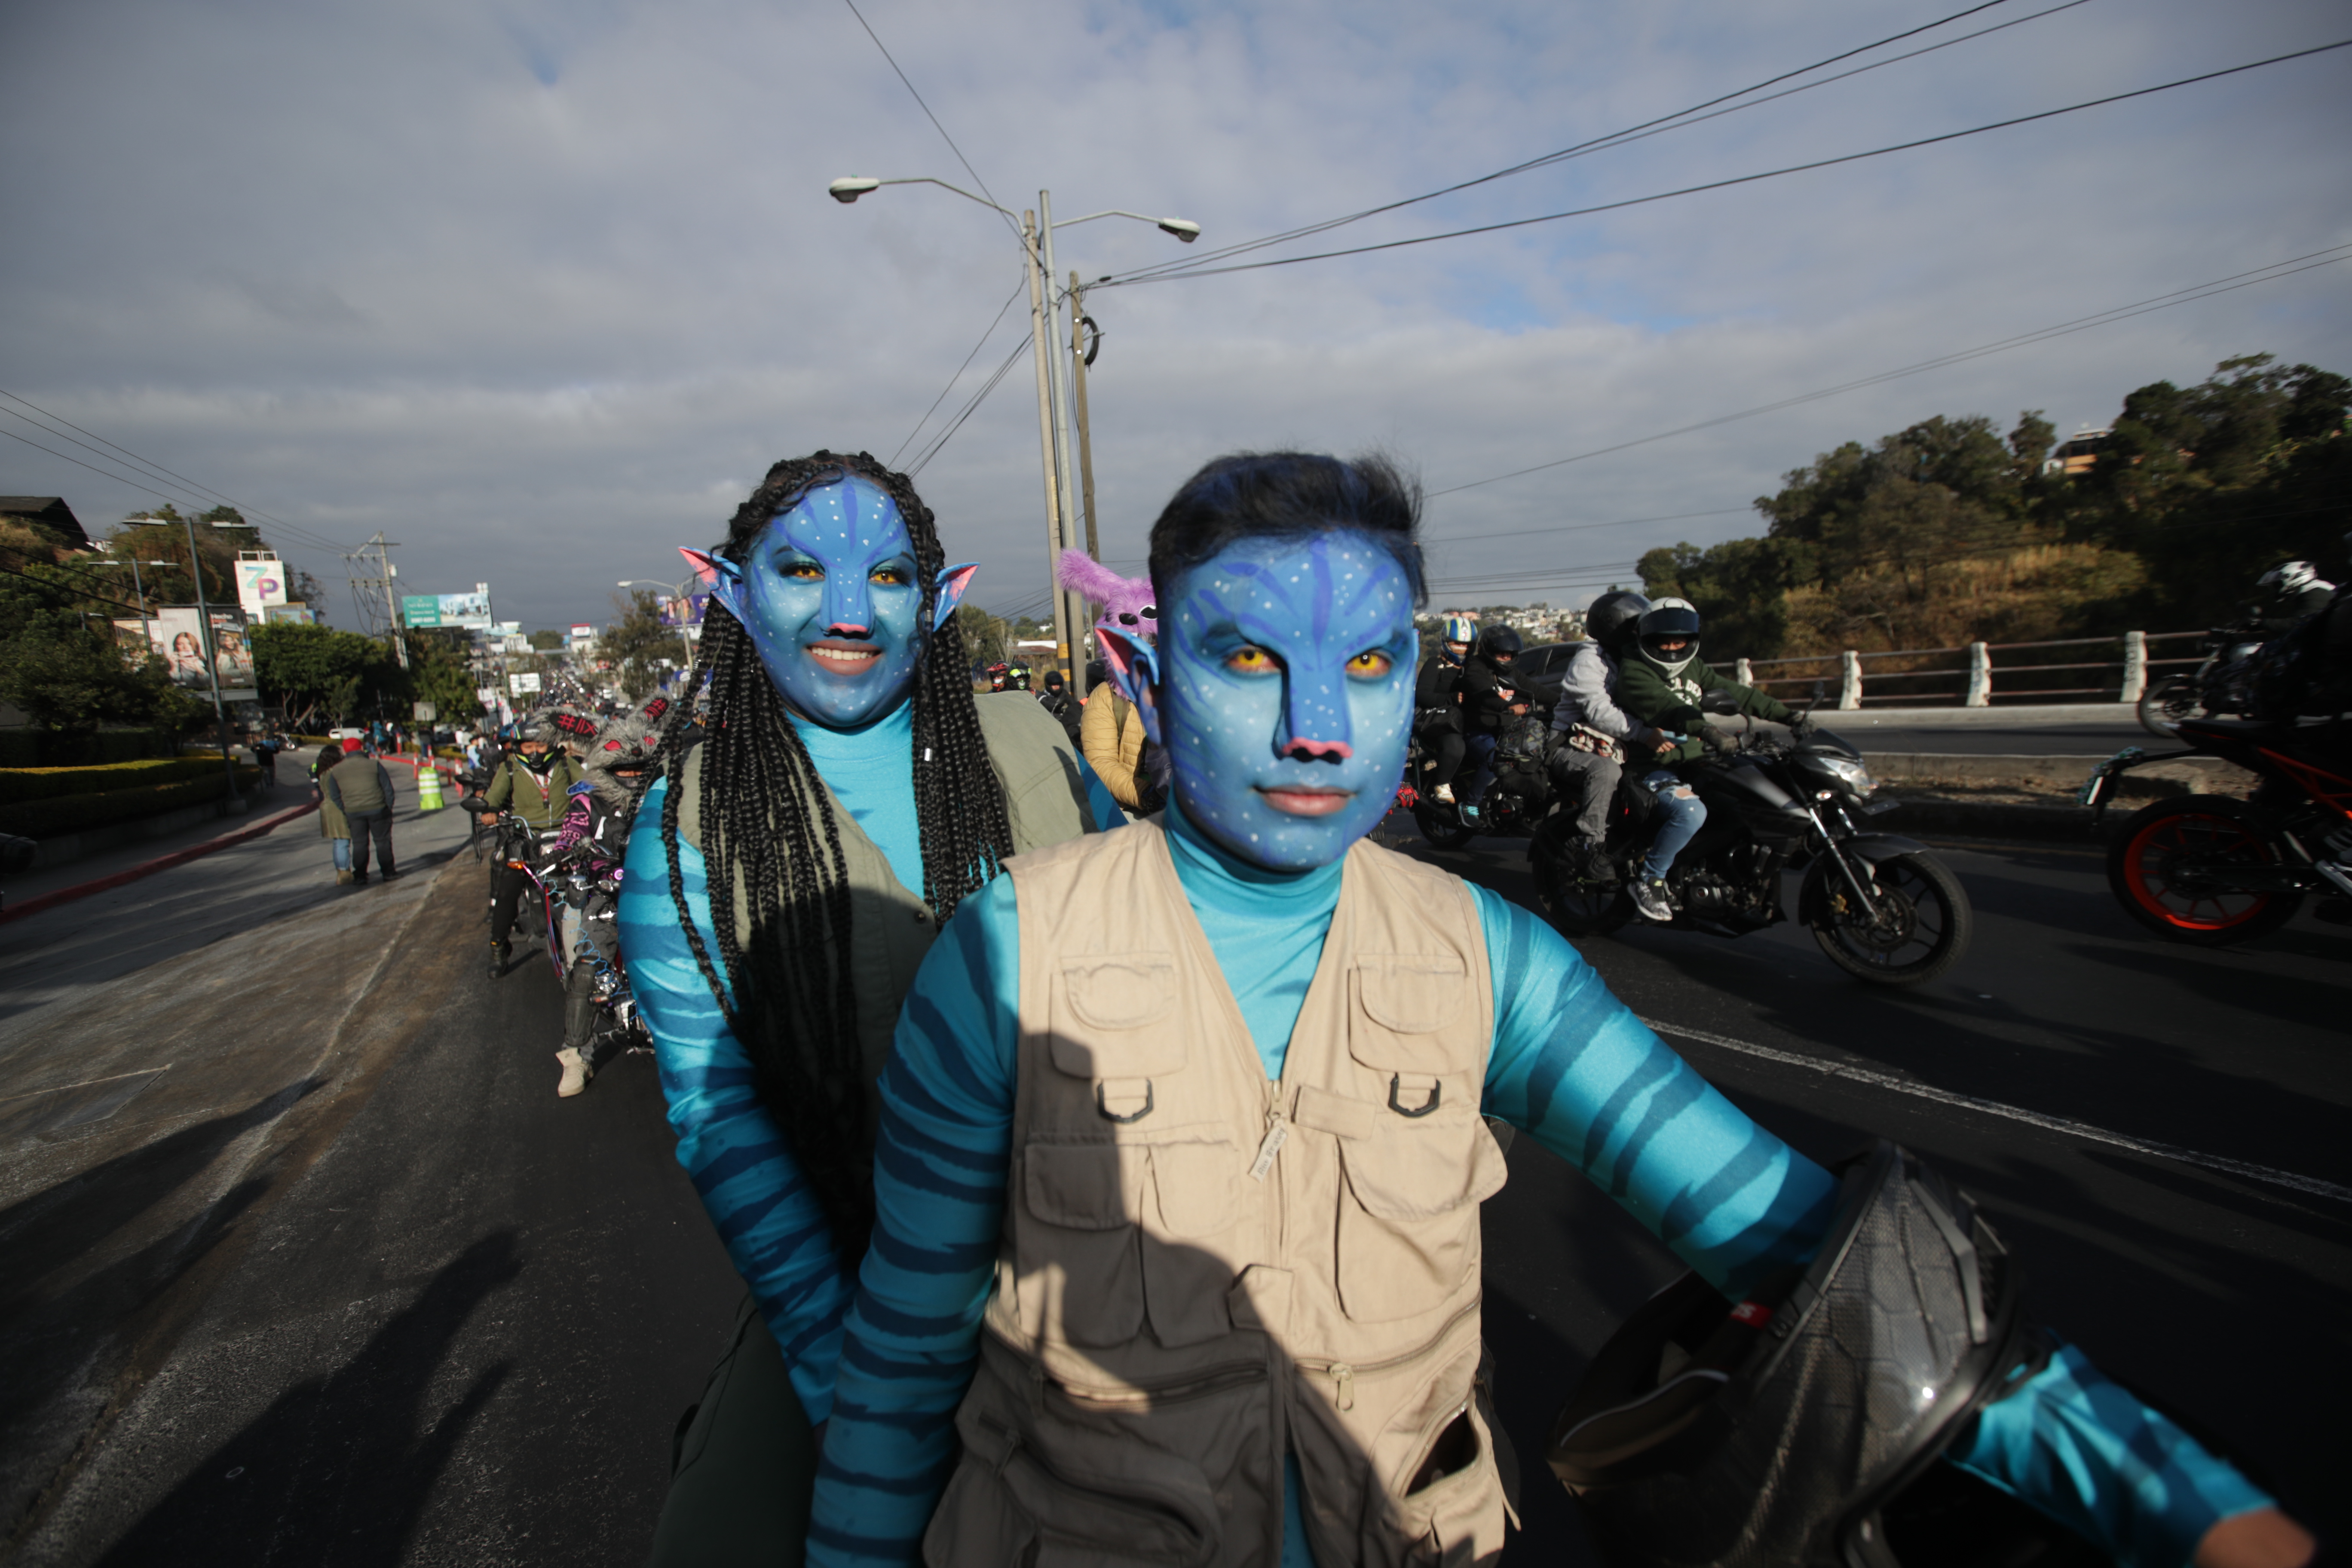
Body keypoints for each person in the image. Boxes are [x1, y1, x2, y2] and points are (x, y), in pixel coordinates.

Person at [805, 450, 2312, 1568]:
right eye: (1249, 657)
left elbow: (1820, 1259)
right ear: (1152, 660)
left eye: (1374, 661)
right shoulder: (1008, 955)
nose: (1322, 723)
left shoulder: (1491, 956)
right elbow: (905, 1353)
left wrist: (2203, 1517)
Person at [612, 449, 1124, 1565]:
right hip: (849, 1276)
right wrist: (851, 1381)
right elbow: (720, 1118)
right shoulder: (682, 830)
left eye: (889, 579)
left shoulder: (1033, 747)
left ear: (941, 601)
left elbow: (1165, 954)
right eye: (802, 569)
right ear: (731, 592)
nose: (849, 609)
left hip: (1099, 1254)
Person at [1606, 597, 1791, 923]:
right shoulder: (1635, 670)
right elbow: (1671, 708)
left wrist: (1792, 717)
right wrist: (1710, 732)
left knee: (1745, 803)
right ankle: (1650, 880)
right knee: (1690, 812)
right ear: (1645, 638)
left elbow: (1738, 693)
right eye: (1664, 641)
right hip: (1651, 767)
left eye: (1680, 641)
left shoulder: (1695, 667)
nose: (1672, 648)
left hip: (1695, 762)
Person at [547, 696, 671, 1098]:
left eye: (640, 766)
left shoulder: (665, 789)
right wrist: (565, 852)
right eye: (624, 767)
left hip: (662, 888)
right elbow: (572, 831)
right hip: (603, 890)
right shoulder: (587, 798)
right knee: (587, 966)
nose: (633, 773)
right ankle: (576, 1054)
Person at [1540, 590, 1672, 888]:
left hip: (1617, 745)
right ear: (1618, 628)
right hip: (1568, 745)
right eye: (1636, 627)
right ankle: (1592, 847)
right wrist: (1645, 733)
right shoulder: (1590, 660)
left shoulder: (1633, 657)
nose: (1643, 633)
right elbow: (1599, 712)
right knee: (1606, 771)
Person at [483, 718, 584, 976]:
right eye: (529, 747)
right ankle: (499, 947)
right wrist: (490, 811)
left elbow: (591, 785)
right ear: (519, 747)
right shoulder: (509, 769)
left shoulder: (564, 763)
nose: (536, 752)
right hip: (526, 840)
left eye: (541, 745)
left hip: (566, 838)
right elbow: (493, 798)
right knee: (507, 892)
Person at [1455, 622, 1528, 824]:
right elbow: (1483, 693)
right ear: (1489, 652)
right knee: (1494, 758)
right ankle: (1470, 804)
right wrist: (1508, 706)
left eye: (1510, 654)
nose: (1506, 658)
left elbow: (1534, 689)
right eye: (1501, 654)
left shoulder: (1509, 673)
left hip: (1504, 729)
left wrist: (1562, 701)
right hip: (1476, 731)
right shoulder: (1476, 668)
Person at [1412, 613, 1473, 805]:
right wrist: (1451, 699)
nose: (1462, 649)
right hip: (1442, 722)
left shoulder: (1474, 667)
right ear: (1446, 643)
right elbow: (1421, 695)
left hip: (1468, 721)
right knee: (1456, 747)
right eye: (1457, 644)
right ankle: (1442, 784)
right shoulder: (1434, 664)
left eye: (1466, 645)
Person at [320, 744, 398, 884]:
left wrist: (345, 809)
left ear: (346, 750)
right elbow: (388, 788)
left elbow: (335, 795)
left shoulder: (337, 771)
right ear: (361, 749)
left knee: (360, 844)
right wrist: (388, 807)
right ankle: (388, 873)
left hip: (354, 813)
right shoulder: (374, 765)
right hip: (378, 809)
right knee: (382, 842)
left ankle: (361, 876)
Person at [2252, 559, 2335, 634]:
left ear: (2295, 578)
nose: (2276, 589)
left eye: (2278, 585)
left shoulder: (2316, 594)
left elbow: (2300, 624)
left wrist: (2261, 624)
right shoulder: (2310, 592)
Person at [312, 743, 353, 884]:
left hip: (327, 808)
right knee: (343, 842)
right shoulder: (335, 773)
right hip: (337, 808)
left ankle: (342, 872)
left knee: (338, 842)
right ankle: (344, 873)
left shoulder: (322, 772)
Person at [1034, 669, 1082, 743]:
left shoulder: (1064, 694)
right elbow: (1051, 706)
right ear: (1049, 685)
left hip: (1062, 726)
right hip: (1047, 727)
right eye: (1054, 685)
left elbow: (1074, 705)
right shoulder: (1042, 696)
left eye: (1058, 684)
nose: (1057, 687)